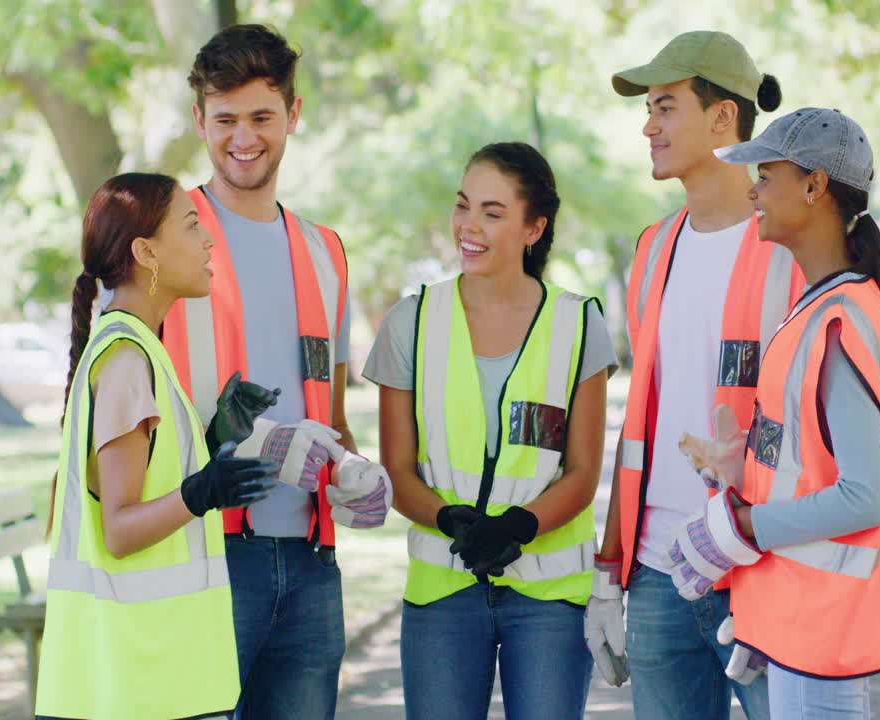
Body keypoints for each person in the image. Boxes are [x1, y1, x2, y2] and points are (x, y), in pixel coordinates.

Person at [160, 24, 392, 720]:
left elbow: (335, 414)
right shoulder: (162, 236)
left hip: (312, 566)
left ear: (293, 115)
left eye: (262, 116)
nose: (243, 137)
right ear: (200, 120)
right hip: (202, 555)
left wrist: (356, 473)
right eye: (225, 119)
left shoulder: (326, 252)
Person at [668, 108, 880, 719]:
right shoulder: (820, 308)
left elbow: (864, 497)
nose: (752, 190)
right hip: (798, 630)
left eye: (766, 175)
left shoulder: (839, 317)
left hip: (821, 639)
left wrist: (745, 528)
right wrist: (741, 471)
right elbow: (810, 463)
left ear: (814, 187)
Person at [586, 30, 803, 720]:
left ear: (722, 118)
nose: (648, 127)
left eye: (664, 106)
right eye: (647, 110)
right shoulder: (654, 250)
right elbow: (640, 420)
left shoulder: (791, 248)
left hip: (760, 568)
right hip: (658, 574)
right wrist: (608, 568)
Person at [365, 142, 617, 720]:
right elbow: (398, 471)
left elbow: (582, 472)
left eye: (493, 212)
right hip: (442, 593)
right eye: (463, 206)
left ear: (534, 228)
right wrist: (449, 518)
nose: (468, 226)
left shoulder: (580, 325)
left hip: (549, 599)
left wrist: (522, 525)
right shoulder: (412, 323)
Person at [35, 173, 282, 720]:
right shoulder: (127, 360)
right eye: (192, 225)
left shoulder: (138, 347)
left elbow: (145, 479)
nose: (208, 241)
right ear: (146, 252)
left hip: (150, 679)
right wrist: (202, 493)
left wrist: (216, 436)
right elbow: (120, 531)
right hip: (135, 682)